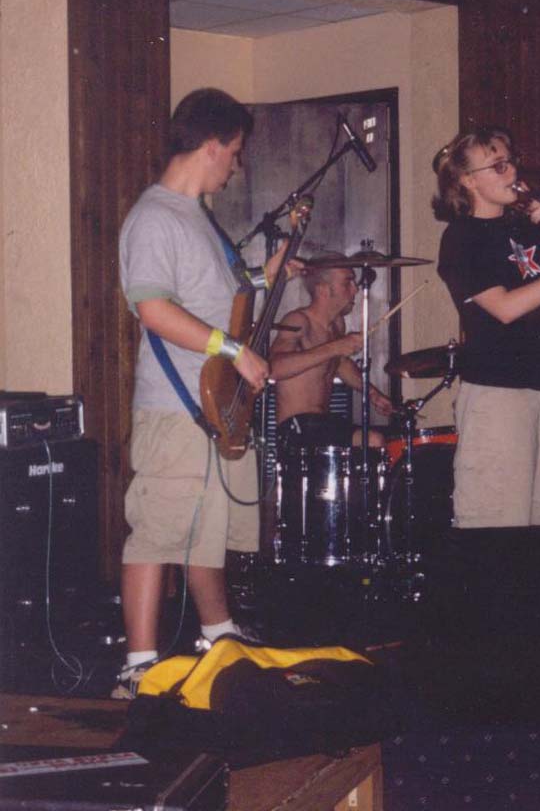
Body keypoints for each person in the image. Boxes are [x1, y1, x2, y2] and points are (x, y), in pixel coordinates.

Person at [113, 88, 296, 699]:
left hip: (215, 406)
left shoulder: (198, 218)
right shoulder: (155, 217)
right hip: (176, 408)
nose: (236, 166)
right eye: (235, 152)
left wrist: (266, 275)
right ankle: (138, 665)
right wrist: (234, 350)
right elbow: (154, 309)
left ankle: (220, 637)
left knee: (205, 529)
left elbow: (218, 293)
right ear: (212, 145)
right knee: (157, 532)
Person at [434, 125, 540, 530]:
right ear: (468, 180)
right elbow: (504, 308)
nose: (512, 171)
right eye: (497, 165)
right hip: (499, 392)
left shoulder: (526, 226)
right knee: (499, 527)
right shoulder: (461, 237)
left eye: (511, 161)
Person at [270, 252, 392, 449]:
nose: (355, 289)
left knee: (388, 438)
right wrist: (335, 347)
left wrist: (372, 393)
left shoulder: (337, 324)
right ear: (323, 290)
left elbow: (339, 364)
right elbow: (274, 368)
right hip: (295, 429)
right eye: (347, 282)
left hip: (321, 424)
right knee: (373, 441)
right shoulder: (298, 321)